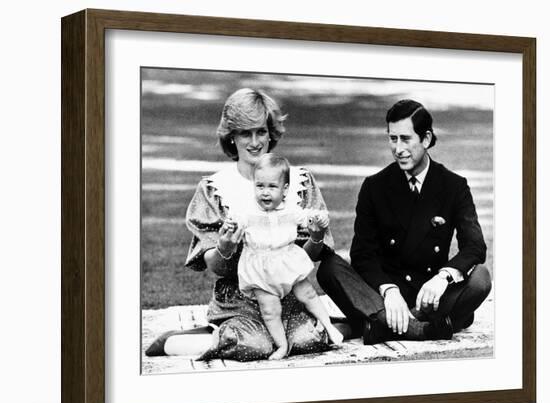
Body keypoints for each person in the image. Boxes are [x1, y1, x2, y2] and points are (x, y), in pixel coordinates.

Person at [146, 88, 335, 361]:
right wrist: (224, 247)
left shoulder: (297, 181)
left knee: (307, 340)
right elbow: (216, 267)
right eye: (245, 133)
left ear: (271, 132)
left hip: (289, 294)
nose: (255, 141)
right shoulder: (215, 189)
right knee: (256, 346)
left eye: (261, 131)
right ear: (231, 138)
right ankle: (178, 341)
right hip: (239, 299)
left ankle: (316, 327)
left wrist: (316, 238)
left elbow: (303, 258)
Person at [317, 99, 492, 344]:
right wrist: (389, 290)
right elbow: (362, 254)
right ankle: (420, 329)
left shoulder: (453, 186)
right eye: (392, 138)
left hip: (430, 298)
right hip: (385, 296)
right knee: (329, 267)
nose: (398, 148)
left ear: (427, 139)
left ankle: (372, 323)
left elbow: (475, 246)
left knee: (481, 278)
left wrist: (443, 278)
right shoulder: (375, 187)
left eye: (405, 139)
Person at [227, 153, 343, 359]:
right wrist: (231, 225)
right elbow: (236, 220)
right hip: (259, 269)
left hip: (286, 261)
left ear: (285, 190)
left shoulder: (289, 209)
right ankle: (281, 345)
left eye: (272, 187)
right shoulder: (248, 212)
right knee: (270, 309)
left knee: (307, 293)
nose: (265, 192)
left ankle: (329, 327)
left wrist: (318, 219)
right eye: (259, 186)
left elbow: (307, 217)